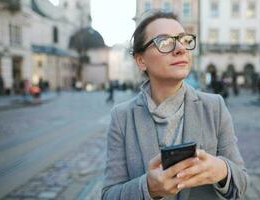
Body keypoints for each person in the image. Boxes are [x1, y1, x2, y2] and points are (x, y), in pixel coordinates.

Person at [102, 11, 248, 200]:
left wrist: (222, 170)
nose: (181, 48)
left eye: (184, 40)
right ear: (141, 60)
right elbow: (109, 195)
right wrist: (148, 188)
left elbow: (241, 184)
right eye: (164, 42)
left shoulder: (214, 107)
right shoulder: (122, 117)